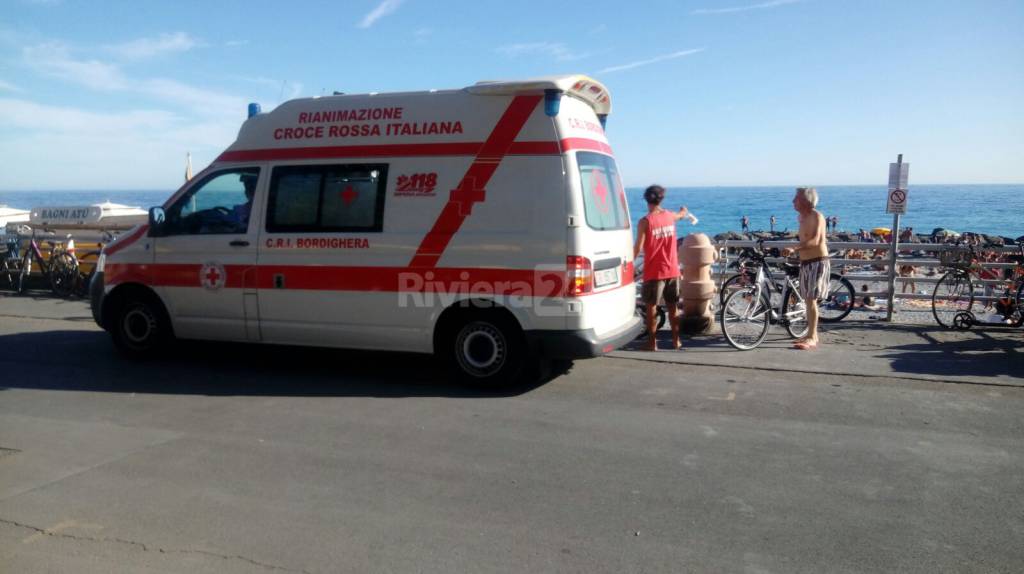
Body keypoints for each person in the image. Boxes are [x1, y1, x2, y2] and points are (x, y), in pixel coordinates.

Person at [634, 185, 688, 351]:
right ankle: (676, 340)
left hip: (654, 271)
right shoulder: (670, 216)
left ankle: (652, 343)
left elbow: (638, 248)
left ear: (646, 200)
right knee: (673, 307)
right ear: (661, 199)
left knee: (651, 307)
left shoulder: (645, 222)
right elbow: (680, 215)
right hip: (672, 269)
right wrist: (684, 211)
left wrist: (629, 264)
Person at [781, 187, 829, 350]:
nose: (793, 201)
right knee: (807, 300)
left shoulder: (817, 216)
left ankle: (813, 337)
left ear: (806, 200)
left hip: (817, 261)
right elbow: (804, 238)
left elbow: (816, 240)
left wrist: (795, 249)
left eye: (796, 198)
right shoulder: (801, 217)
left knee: (811, 299)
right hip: (805, 262)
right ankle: (809, 334)